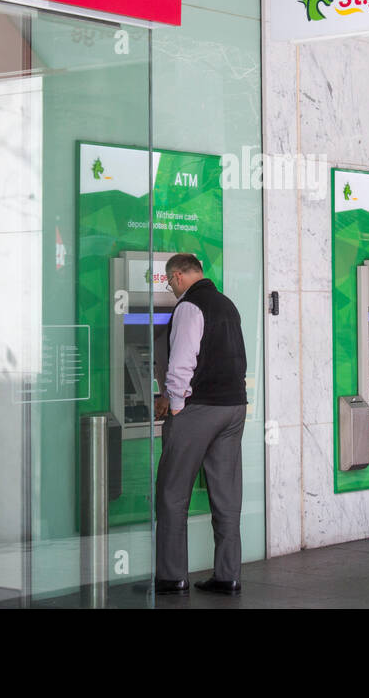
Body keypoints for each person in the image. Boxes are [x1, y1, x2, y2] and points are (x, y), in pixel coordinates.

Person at [152, 253, 247, 595]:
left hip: (200, 409)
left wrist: (174, 405)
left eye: (168, 281)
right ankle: (227, 575)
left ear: (177, 276)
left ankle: (172, 576)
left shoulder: (190, 307)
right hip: (234, 408)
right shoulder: (227, 305)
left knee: (172, 493)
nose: (170, 287)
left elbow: (180, 363)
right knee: (226, 496)